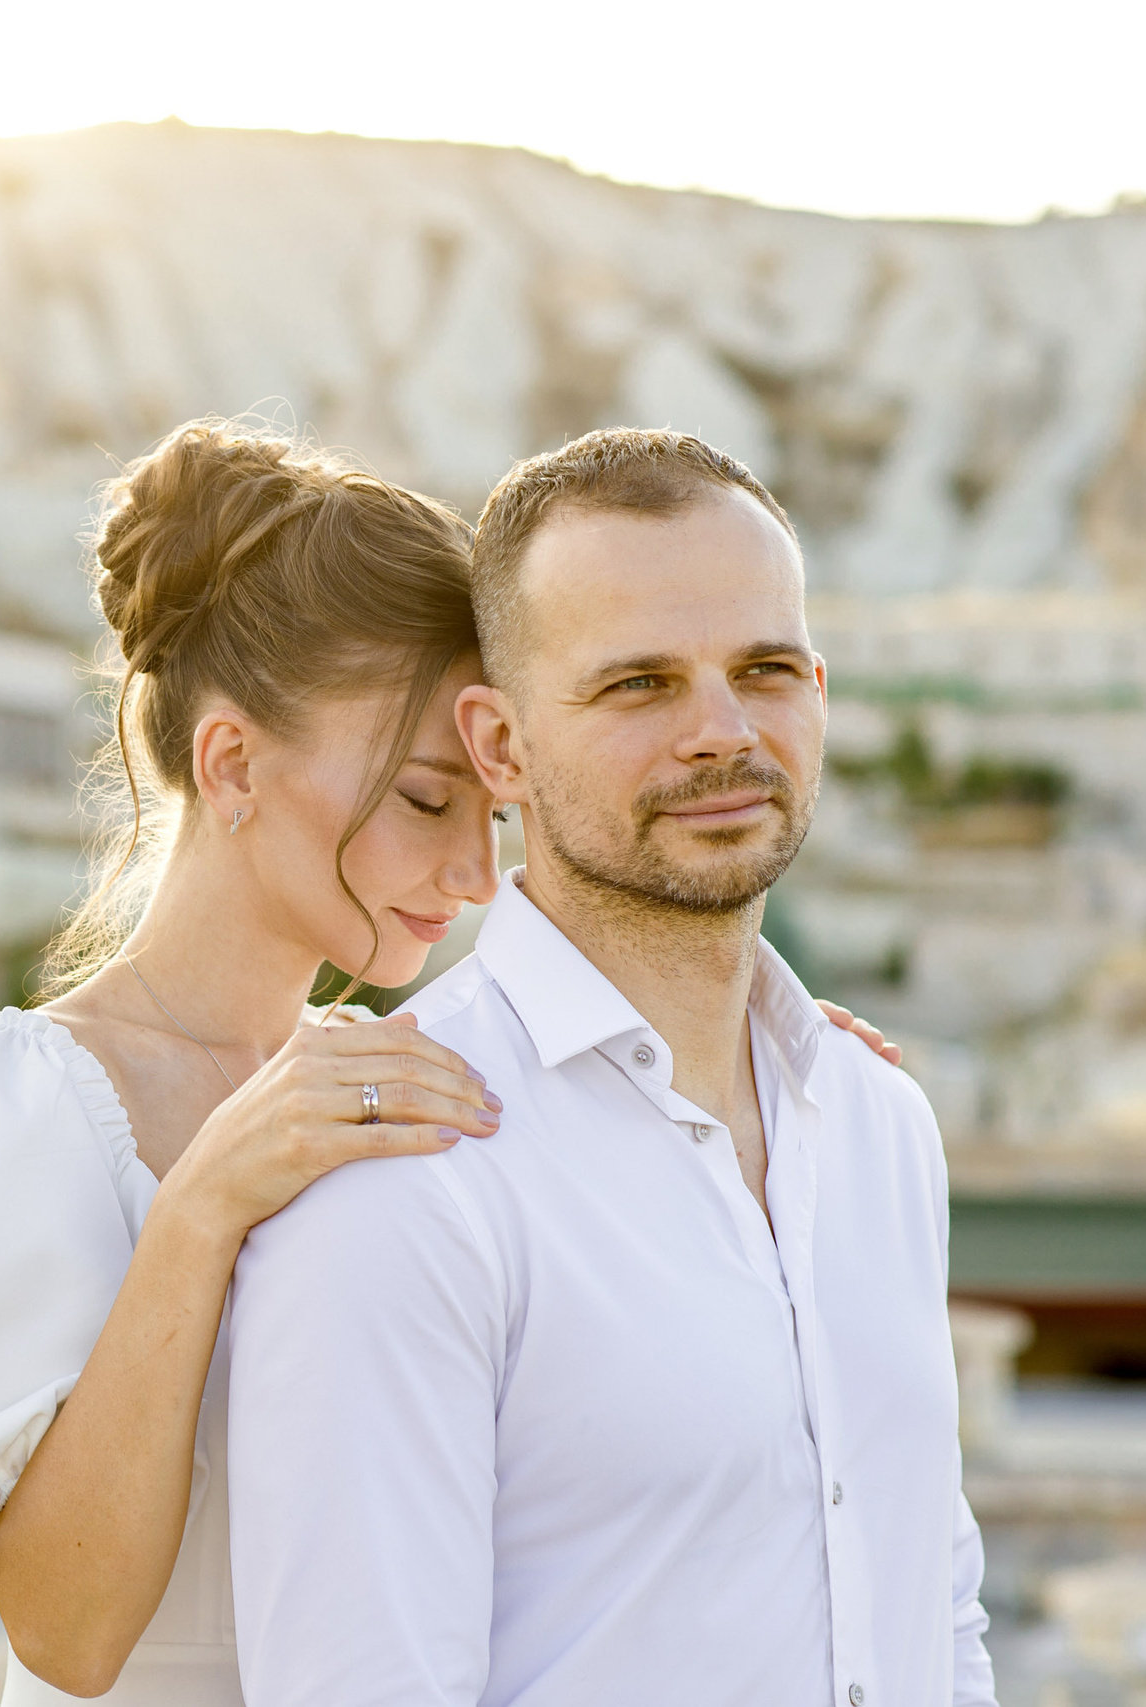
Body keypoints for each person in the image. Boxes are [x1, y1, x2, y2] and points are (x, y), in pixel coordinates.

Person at [0, 421, 901, 1706]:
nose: (471, 875)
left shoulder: (377, 1081)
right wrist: (197, 1210)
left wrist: (759, 1074)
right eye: (421, 800)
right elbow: (66, 1634)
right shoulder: (34, 1101)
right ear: (232, 762)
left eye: (488, 808)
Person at [224, 428, 993, 1707]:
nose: (721, 732)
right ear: (502, 748)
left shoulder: (878, 1124)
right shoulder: (400, 1167)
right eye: (638, 684)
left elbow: (935, 1608)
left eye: (764, 670)